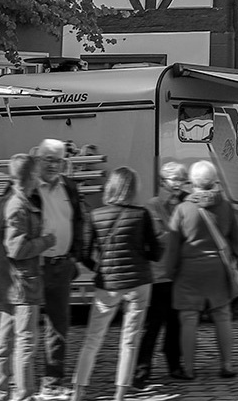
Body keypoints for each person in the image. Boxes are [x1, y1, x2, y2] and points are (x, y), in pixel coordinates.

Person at [74, 167, 161, 401]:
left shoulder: (95, 215)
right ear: (133, 189)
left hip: (107, 284)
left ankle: (78, 391)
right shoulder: (142, 215)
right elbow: (156, 253)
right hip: (138, 283)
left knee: (92, 338)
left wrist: (99, 269)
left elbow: (83, 253)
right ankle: (120, 394)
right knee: (129, 341)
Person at [0, 153, 57, 401]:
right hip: (22, 283)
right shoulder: (17, 205)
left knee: (5, 340)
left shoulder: (14, 200)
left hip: (14, 282)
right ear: (31, 175)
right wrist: (46, 241)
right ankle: (22, 395)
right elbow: (17, 248)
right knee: (24, 342)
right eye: (37, 172)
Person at [167, 160, 238, 380]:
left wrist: (170, 270)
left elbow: (172, 246)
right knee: (222, 316)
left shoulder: (183, 209)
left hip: (189, 271)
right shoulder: (226, 207)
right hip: (218, 270)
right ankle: (227, 364)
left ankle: (188, 368)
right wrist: (233, 259)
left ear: (192, 182)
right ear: (215, 180)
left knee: (188, 319)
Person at [33, 139, 94, 397]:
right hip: (33, 266)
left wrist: (74, 257)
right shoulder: (28, 187)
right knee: (22, 328)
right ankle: (17, 384)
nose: (53, 165)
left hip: (61, 264)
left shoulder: (68, 186)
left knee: (58, 326)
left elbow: (79, 221)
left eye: (57, 160)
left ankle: (52, 382)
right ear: (38, 160)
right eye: (48, 160)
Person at [135, 161, 189, 384]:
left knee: (177, 322)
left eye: (182, 180)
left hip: (180, 273)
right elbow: (156, 239)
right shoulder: (153, 205)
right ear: (163, 181)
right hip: (159, 273)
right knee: (153, 323)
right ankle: (142, 367)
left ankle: (174, 363)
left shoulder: (187, 203)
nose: (178, 184)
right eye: (175, 179)